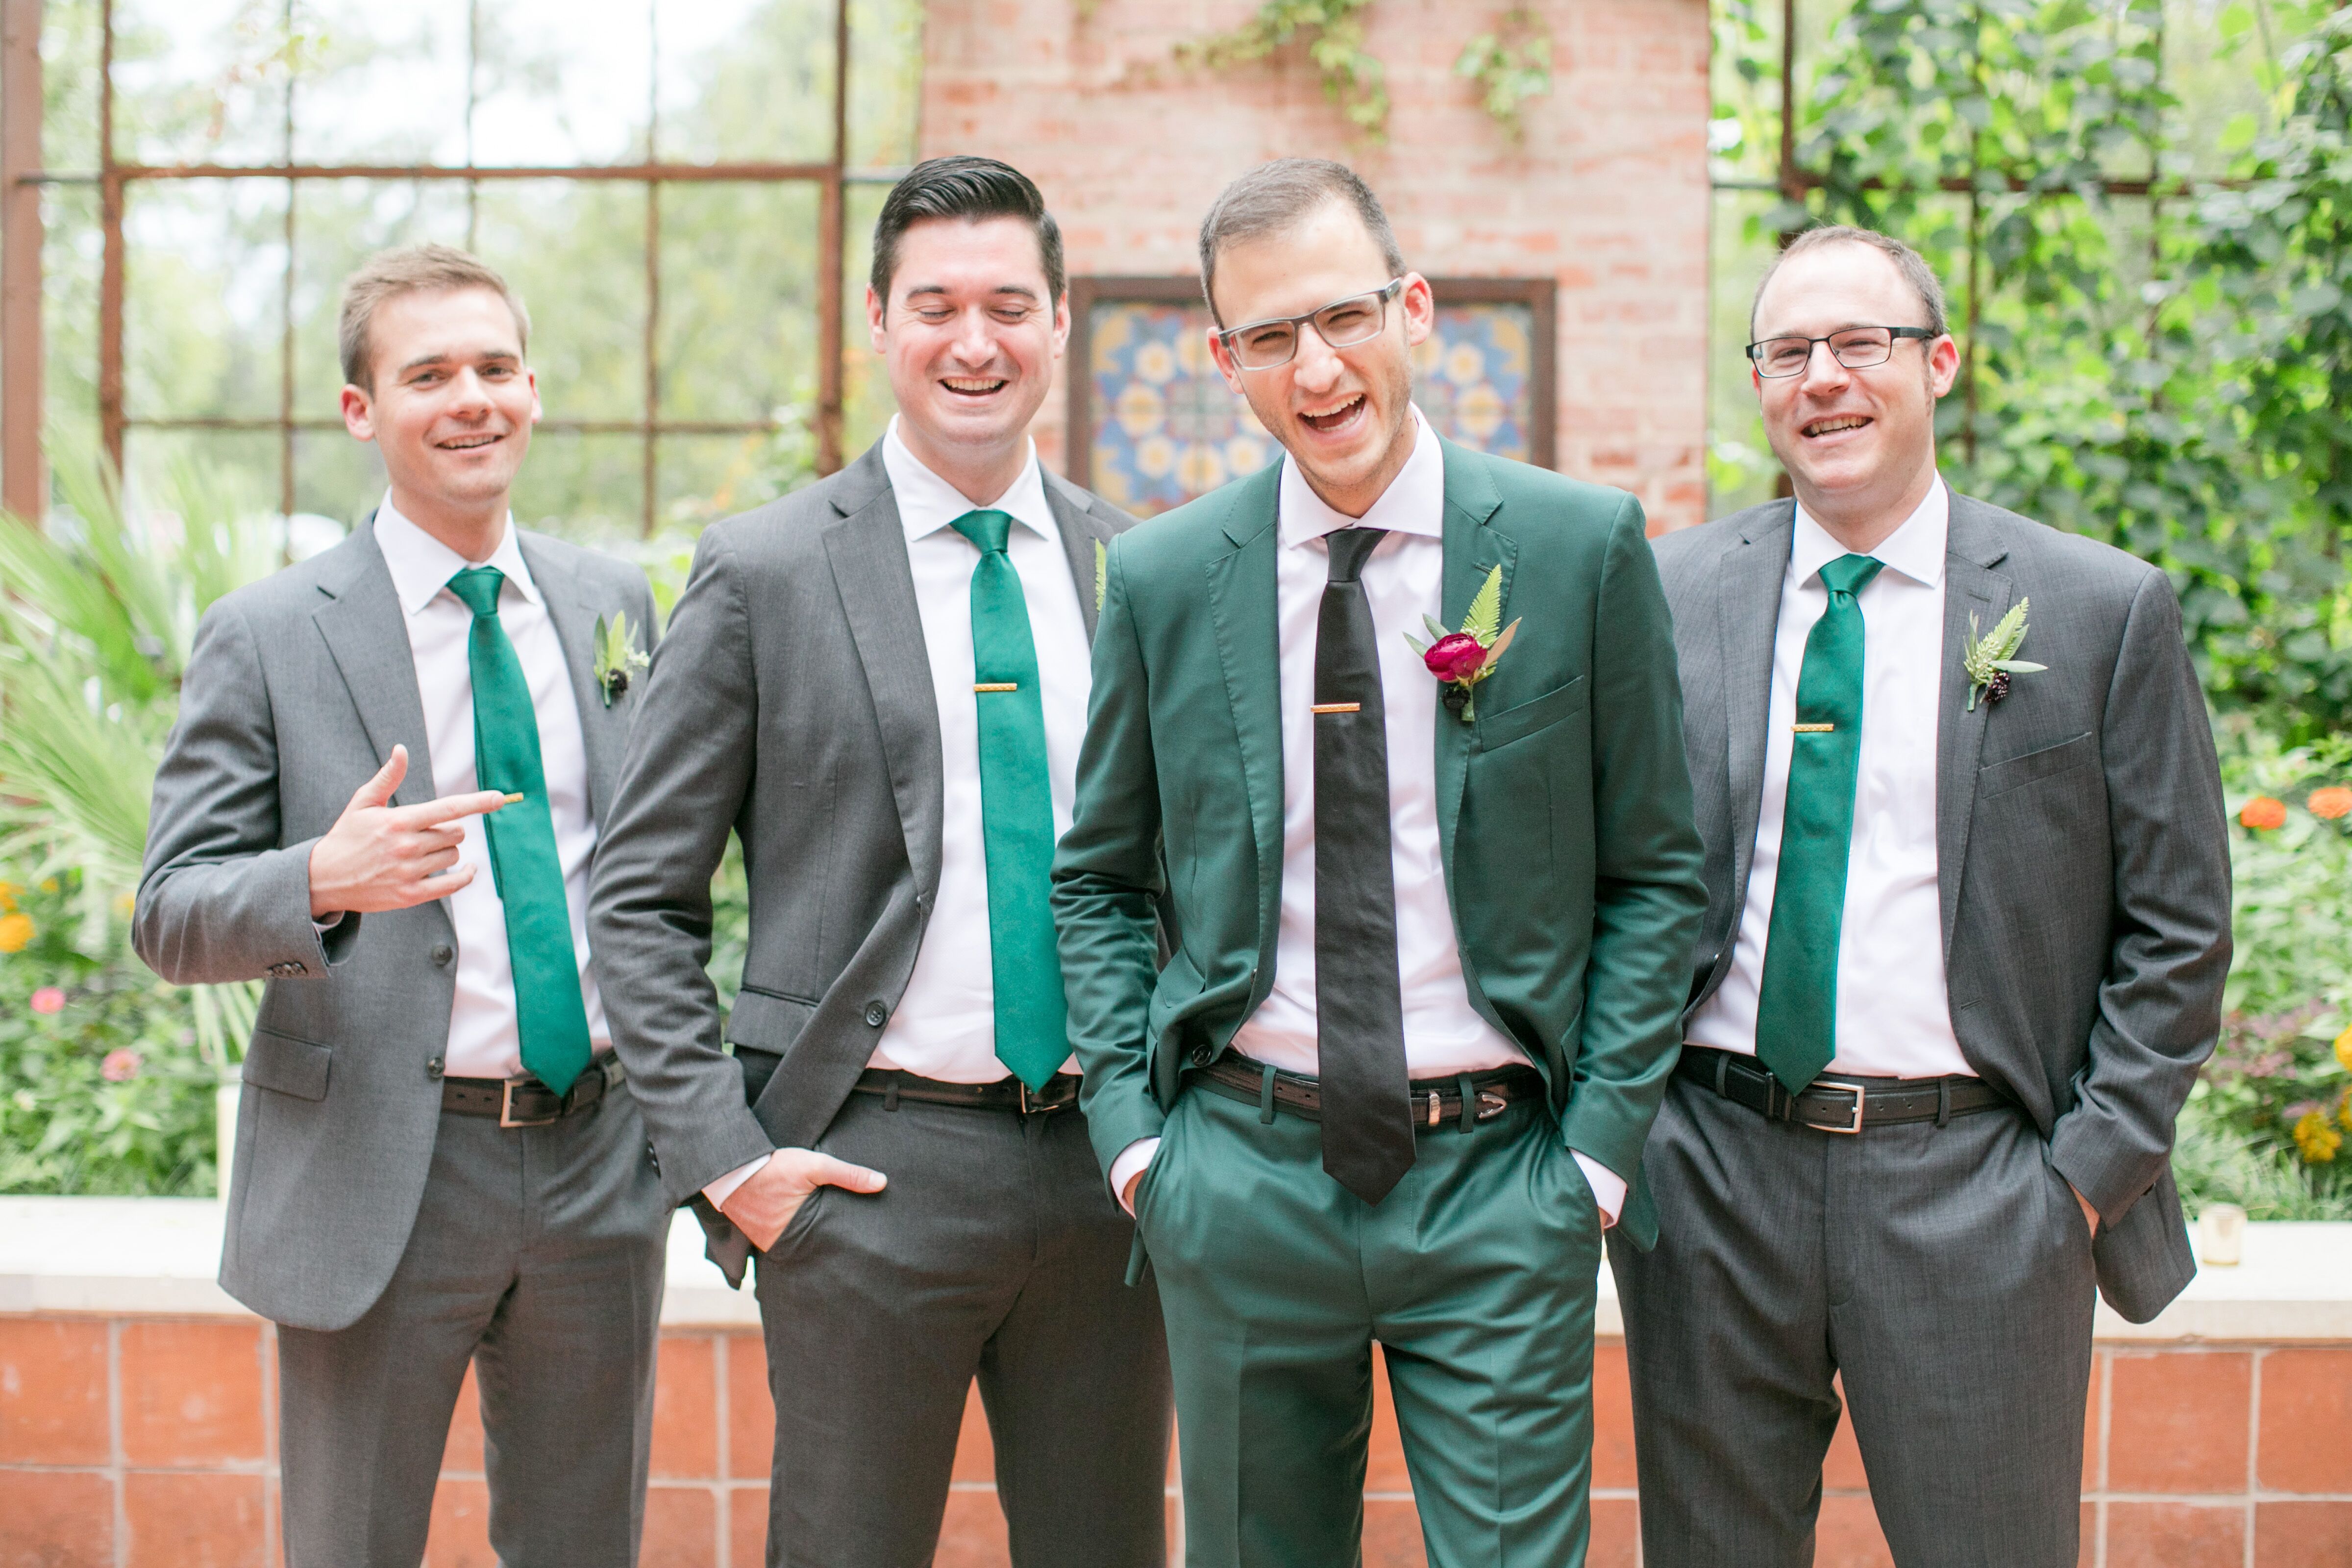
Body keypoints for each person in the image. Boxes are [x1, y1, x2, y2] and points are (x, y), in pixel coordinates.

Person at [1050, 157, 1706, 1568]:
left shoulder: (1573, 547)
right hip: (1238, 1175)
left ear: (1414, 310)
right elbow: (1100, 875)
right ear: (1226, 361)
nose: (1319, 365)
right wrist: (1139, 1148)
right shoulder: (1165, 579)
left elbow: (1656, 876)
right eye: (1272, 336)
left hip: (1500, 1183)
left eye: (1344, 316)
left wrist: (1591, 1160)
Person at [1615, 224, 2232, 1567]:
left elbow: (2180, 925)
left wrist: (2077, 1183)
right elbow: (1608, 882)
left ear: (1939, 364)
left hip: (1975, 1196)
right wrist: (1637, 1136)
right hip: (1712, 1179)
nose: (1821, 378)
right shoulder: (1668, 597)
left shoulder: (2093, 611)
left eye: (1860, 344)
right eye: (1787, 351)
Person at [587, 156, 1171, 1568]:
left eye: (1009, 306)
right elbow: (636, 895)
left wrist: (1181, 1128)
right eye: (937, 305)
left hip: (1112, 1179)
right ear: (878, 320)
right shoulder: (767, 570)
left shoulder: (1142, 567)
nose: (975, 342)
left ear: (1061, 321)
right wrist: (731, 1166)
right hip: (865, 1175)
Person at [135, 244, 668, 1567]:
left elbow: (659, 870)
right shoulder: (267, 631)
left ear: (534, 389)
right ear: (362, 411)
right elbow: (169, 912)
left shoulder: (614, 604)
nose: (470, 397)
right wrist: (321, 878)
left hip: (600, 1161)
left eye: (494, 367)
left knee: (582, 1545)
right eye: (428, 373)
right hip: (382, 1166)